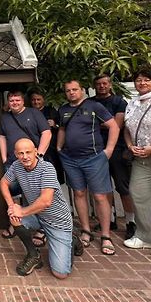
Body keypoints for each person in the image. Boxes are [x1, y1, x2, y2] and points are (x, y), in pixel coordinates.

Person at [0, 139, 81, 278]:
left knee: (60, 273)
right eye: (21, 153)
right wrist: (12, 206)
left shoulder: (47, 168)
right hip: (38, 216)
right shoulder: (16, 166)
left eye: (28, 152)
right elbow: (3, 183)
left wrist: (22, 211)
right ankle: (33, 255)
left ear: (36, 151)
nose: (25, 156)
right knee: (14, 217)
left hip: (58, 222)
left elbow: (45, 201)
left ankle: (72, 240)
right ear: (16, 154)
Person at [57, 80, 119, 255]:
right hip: (70, 158)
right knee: (79, 193)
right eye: (68, 90)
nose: (71, 93)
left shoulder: (94, 106)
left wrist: (109, 150)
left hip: (94, 158)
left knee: (99, 196)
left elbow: (113, 126)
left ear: (82, 90)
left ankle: (106, 236)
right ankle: (85, 230)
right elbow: (62, 129)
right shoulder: (63, 110)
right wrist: (59, 148)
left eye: (75, 89)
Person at [0, 90, 51, 238]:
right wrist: (4, 157)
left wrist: (39, 154)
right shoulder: (5, 117)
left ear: (23, 101)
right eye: (12, 100)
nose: (14, 103)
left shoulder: (34, 113)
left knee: (34, 195)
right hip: (12, 162)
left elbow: (46, 133)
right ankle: (15, 223)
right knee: (11, 192)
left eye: (17, 100)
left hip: (32, 162)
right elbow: (2, 137)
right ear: (8, 102)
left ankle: (41, 229)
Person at [91, 75, 136, 239]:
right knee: (102, 188)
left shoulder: (119, 102)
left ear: (110, 85)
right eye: (98, 84)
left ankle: (131, 222)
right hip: (96, 150)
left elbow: (116, 125)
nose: (102, 86)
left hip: (117, 150)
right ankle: (109, 220)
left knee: (123, 187)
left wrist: (96, 123)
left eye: (104, 83)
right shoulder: (90, 102)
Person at [123, 67, 151, 249]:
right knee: (138, 193)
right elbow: (128, 129)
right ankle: (148, 236)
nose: (142, 83)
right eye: (139, 80)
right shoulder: (133, 103)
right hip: (141, 158)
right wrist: (129, 145)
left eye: (147, 79)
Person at [29, 90, 65, 184]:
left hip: (51, 149)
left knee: (53, 177)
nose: (36, 102)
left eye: (38, 99)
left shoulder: (51, 111)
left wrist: (54, 125)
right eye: (33, 100)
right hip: (34, 148)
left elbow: (62, 127)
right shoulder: (28, 112)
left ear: (43, 100)